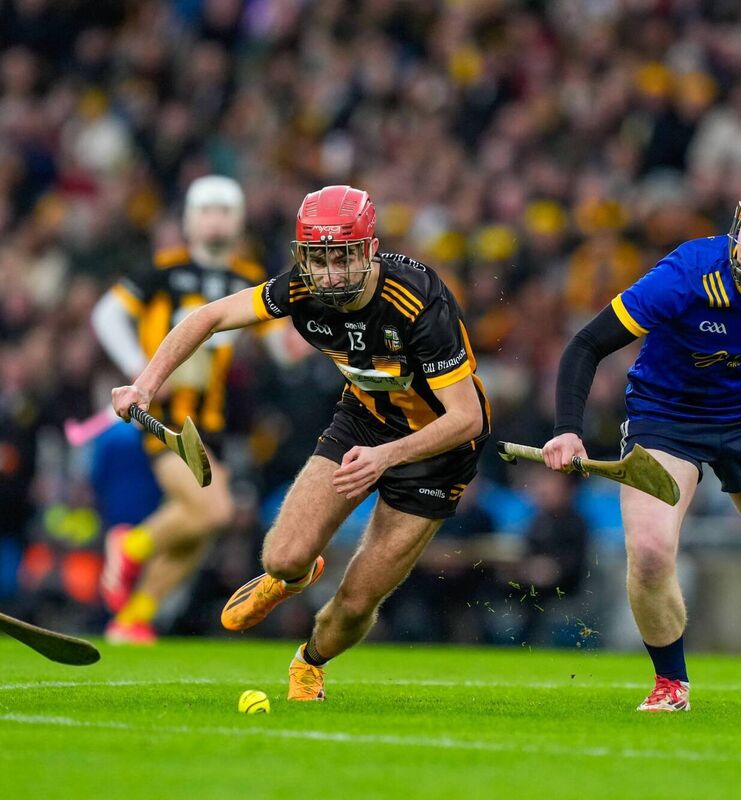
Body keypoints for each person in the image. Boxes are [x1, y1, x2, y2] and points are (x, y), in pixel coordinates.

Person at [111, 185, 490, 700]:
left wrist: (385, 458)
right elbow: (206, 318)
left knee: (357, 600)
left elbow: (466, 417)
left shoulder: (417, 298)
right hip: (363, 422)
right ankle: (293, 573)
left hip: (437, 448)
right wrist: (145, 384)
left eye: (343, 258)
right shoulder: (302, 289)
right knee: (283, 558)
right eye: (318, 259)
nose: (330, 274)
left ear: (370, 250)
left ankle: (309, 663)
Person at [542, 166, 741, 712]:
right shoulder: (686, 274)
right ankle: (671, 681)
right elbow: (585, 345)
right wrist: (567, 430)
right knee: (649, 552)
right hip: (666, 420)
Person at [94, 176, 262, 645]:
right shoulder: (162, 271)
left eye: (224, 210)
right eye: (207, 209)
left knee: (200, 528)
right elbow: (106, 315)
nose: (215, 219)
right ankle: (130, 545)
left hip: (216, 423)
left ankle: (134, 618)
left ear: (239, 219)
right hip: (163, 416)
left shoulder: (247, 278)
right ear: (189, 218)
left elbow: (282, 347)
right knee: (215, 510)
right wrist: (137, 367)